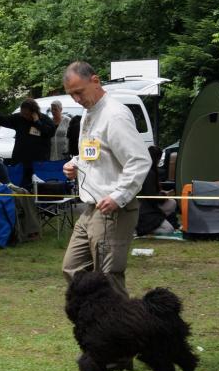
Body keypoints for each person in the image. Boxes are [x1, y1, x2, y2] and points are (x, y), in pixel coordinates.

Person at [61, 61, 151, 299]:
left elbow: (139, 161)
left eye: (79, 92)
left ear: (95, 81)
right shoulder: (89, 114)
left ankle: (123, 331)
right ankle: (100, 321)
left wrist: (118, 197)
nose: (77, 99)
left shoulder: (114, 115)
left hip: (112, 209)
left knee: (109, 277)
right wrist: (76, 165)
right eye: (72, 95)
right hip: (91, 208)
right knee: (72, 269)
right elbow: (94, 154)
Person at [0, 98, 56, 189]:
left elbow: (50, 132)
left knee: (38, 185)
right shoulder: (19, 118)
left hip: (38, 160)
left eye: (26, 114)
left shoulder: (44, 119)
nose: (24, 115)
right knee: (21, 184)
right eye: (22, 113)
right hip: (21, 159)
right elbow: (6, 120)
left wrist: (37, 122)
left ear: (33, 112)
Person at [136, 146, 179, 236]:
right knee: (168, 230)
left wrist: (163, 194)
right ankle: (144, 229)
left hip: (149, 205)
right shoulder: (149, 173)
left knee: (172, 203)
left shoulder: (150, 171)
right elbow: (151, 197)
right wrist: (164, 195)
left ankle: (161, 222)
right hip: (146, 209)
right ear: (157, 158)